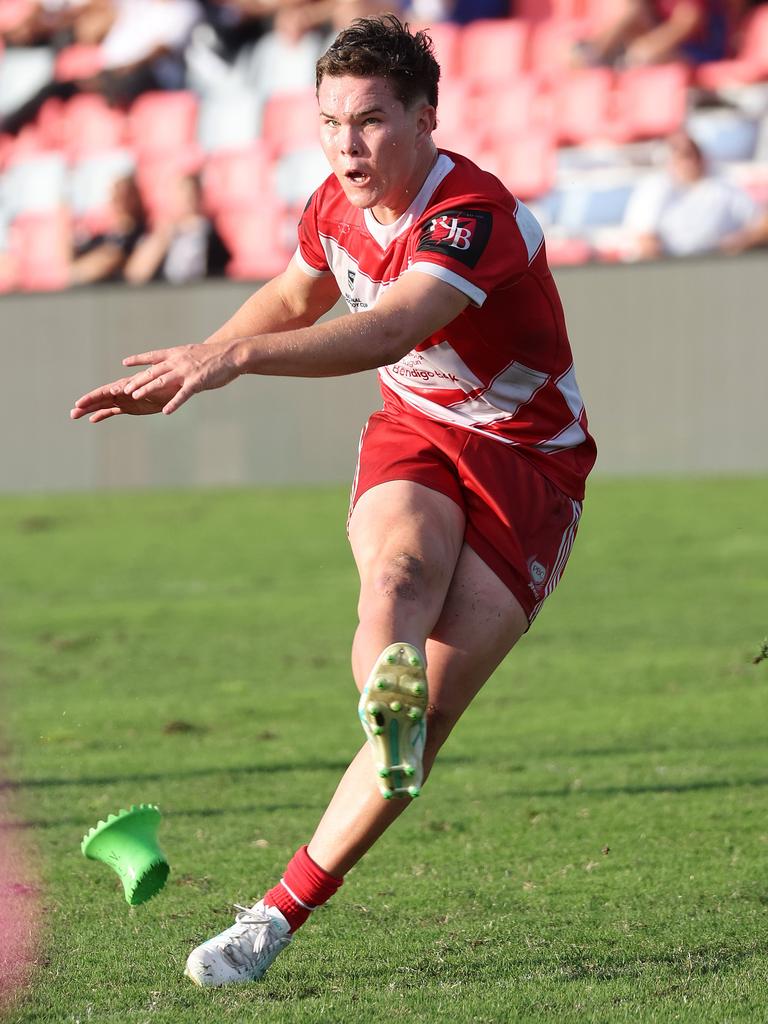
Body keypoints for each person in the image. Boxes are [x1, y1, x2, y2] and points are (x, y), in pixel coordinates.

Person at [71, 15, 596, 988]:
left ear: (427, 117)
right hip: (420, 433)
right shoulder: (330, 203)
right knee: (396, 576)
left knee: (426, 726)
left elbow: (391, 326)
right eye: (329, 123)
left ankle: (275, 914)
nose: (348, 146)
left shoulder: (469, 214)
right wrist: (198, 355)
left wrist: (233, 359)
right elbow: (291, 297)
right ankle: (381, 701)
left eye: (370, 121)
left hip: (531, 467)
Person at [623, 130, 768, 259]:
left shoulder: (723, 189)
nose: (688, 160)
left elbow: (762, 224)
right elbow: (645, 241)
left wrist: (741, 242)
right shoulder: (653, 189)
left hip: (718, 267)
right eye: (680, 154)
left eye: (692, 153)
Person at [123, 173, 230, 285]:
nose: (188, 199)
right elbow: (136, 274)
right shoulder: (162, 233)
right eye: (182, 193)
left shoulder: (211, 233)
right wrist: (166, 235)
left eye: (192, 194)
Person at [574, 0, 743, 68]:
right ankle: (594, 56)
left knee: (645, 57)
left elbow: (689, 21)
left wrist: (647, 48)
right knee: (632, 13)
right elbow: (636, 15)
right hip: (674, 48)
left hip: (707, 51)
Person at [69, 173, 147, 285]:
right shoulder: (102, 236)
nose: (120, 201)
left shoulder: (138, 236)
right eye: (116, 195)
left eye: (125, 196)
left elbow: (110, 261)